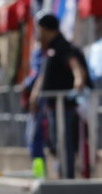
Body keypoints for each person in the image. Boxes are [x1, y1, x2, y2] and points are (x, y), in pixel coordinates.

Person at [29, 13, 90, 179]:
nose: (37, 33)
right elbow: (43, 75)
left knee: (64, 142)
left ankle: (67, 178)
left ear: (45, 29)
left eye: (38, 29)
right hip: (52, 105)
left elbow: (75, 65)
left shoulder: (61, 46)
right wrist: (35, 94)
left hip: (64, 106)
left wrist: (79, 79)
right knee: (56, 143)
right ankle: (62, 175)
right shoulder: (50, 48)